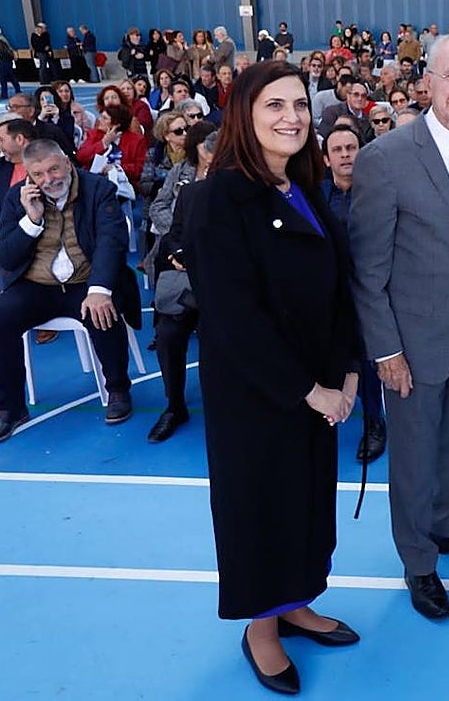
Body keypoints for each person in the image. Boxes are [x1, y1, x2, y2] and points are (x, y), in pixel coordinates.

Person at [185, 62, 361, 695]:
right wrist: (308, 391)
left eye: (300, 105)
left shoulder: (303, 186)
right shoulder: (217, 198)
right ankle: (261, 627)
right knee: (260, 509)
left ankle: (296, 603)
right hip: (258, 395)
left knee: (307, 503)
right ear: (244, 115)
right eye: (275, 106)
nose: (293, 117)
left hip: (316, 386)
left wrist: (346, 371)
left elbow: (337, 287)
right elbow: (234, 317)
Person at [350, 34, 449, 620]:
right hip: (412, 346)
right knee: (414, 458)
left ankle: (448, 526)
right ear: (428, 83)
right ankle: (418, 560)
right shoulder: (385, 158)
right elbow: (367, 272)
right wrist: (385, 350)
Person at [0, 138, 141, 444]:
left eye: (53, 170)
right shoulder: (16, 198)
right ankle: (9, 409)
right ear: (29, 175)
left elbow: (112, 240)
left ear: (67, 162)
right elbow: (5, 258)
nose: (48, 180)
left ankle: (118, 389)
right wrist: (32, 220)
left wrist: (99, 289)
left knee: (101, 311)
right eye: (38, 175)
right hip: (37, 285)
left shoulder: (98, 189)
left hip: (87, 281)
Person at [145, 120, 216, 443]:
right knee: (168, 335)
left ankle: (224, 405)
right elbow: (173, 233)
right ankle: (174, 406)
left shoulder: (241, 192)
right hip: (187, 285)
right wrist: (180, 253)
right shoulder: (188, 192)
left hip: (224, 290)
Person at [320, 124, 387, 463]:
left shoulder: (379, 192)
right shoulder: (313, 196)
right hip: (326, 293)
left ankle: (374, 422)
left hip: (369, 290)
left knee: (367, 357)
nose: (345, 155)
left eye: (351, 148)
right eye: (338, 150)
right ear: (327, 159)